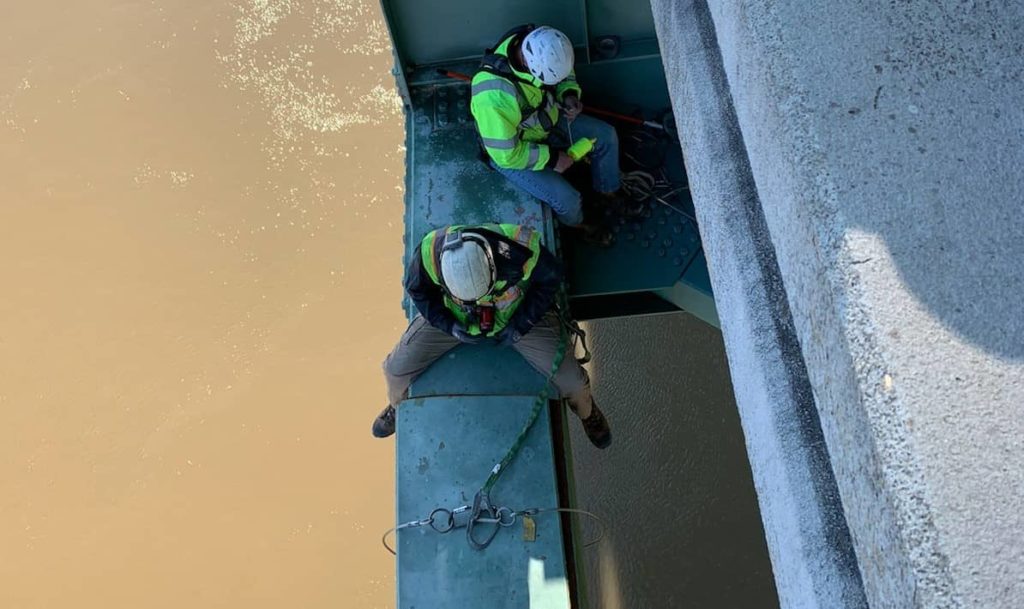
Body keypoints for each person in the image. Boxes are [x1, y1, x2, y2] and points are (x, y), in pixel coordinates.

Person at [372, 223, 612, 449]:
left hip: (516, 317)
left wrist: (521, 323)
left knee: (574, 382)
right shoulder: (429, 254)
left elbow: (550, 280)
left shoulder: (523, 251)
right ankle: (397, 405)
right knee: (395, 369)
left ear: (493, 266)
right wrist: (449, 325)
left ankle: (587, 412)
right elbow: (417, 290)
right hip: (457, 319)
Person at [470, 24, 641, 243]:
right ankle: (582, 225)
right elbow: (506, 155)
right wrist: (551, 159)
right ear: (529, 65)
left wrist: (568, 94)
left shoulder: (546, 42)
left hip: (546, 118)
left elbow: (564, 70)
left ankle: (608, 192)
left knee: (606, 136)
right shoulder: (494, 96)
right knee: (568, 199)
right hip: (514, 152)